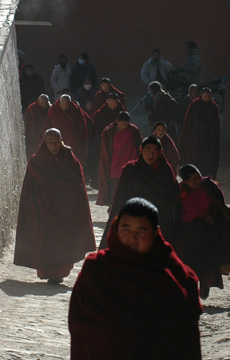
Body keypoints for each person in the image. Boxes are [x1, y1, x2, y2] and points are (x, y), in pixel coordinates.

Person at [67, 198, 205, 360]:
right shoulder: (97, 271)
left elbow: (184, 327)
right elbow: (82, 324)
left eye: (141, 231)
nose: (132, 238)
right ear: (115, 227)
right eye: (126, 229)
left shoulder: (174, 273)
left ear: (155, 233)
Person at [14, 128, 96, 284]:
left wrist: (72, 202)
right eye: (51, 143)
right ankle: (50, 273)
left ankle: (60, 272)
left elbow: (78, 182)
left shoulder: (69, 158)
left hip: (65, 208)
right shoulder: (37, 161)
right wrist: (34, 208)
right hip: (45, 208)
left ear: (61, 141)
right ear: (44, 142)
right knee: (47, 241)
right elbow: (30, 188)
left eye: (57, 142)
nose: (54, 146)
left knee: (64, 241)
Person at [174, 165, 230, 299]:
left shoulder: (208, 187)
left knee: (208, 259)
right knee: (189, 260)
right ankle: (191, 286)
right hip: (188, 233)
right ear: (185, 181)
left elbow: (219, 204)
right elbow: (177, 214)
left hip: (207, 230)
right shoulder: (179, 194)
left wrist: (212, 214)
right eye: (194, 179)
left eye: (198, 177)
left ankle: (205, 283)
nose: (198, 181)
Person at [100, 135, 179, 248]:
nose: (151, 155)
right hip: (136, 220)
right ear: (141, 150)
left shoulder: (165, 170)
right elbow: (121, 198)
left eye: (155, 151)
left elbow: (173, 196)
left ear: (160, 152)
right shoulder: (131, 169)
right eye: (147, 150)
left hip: (160, 221)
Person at [96, 112, 143, 206]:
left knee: (130, 189)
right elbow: (105, 148)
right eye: (122, 124)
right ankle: (114, 209)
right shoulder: (109, 131)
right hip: (115, 163)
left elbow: (140, 145)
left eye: (126, 124)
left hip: (130, 162)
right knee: (115, 191)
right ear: (117, 121)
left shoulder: (133, 130)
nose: (124, 126)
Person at [178, 87, 221, 179]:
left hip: (209, 139)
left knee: (208, 159)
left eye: (208, 96)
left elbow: (216, 123)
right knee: (196, 157)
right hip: (196, 137)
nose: (206, 98)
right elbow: (189, 122)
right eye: (205, 96)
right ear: (201, 95)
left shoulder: (213, 106)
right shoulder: (194, 105)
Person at [87, 93, 122, 186]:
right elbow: (96, 131)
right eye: (111, 104)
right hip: (104, 142)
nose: (113, 106)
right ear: (107, 102)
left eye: (115, 104)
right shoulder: (100, 114)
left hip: (119, 143)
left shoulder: (121, 111)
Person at [44, 94, 89, 168]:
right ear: (60, 102)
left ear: (70, 103)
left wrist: (79, 139)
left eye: (66, 105)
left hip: (75, 144)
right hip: (59, 142)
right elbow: (48, 125)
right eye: (63, 105)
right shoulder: (54, 110)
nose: (64, 107)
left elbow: (82, 126)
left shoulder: (75, 109)